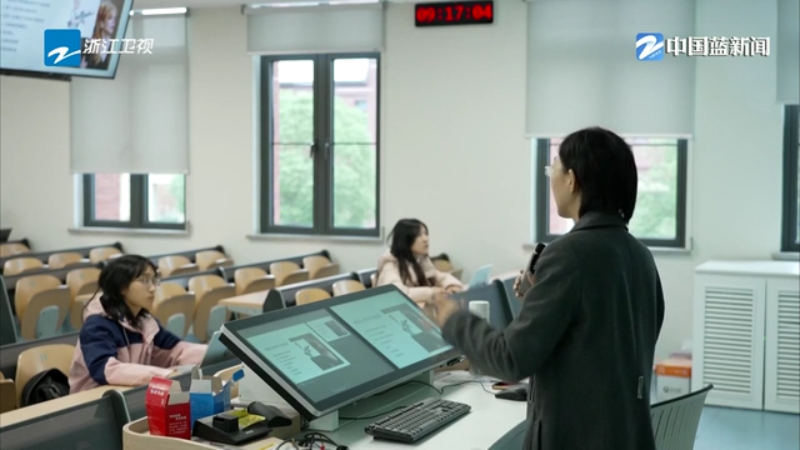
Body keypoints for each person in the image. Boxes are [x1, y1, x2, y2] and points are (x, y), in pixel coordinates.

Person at [431, 127, 665, 450]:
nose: (550, 178)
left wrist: (452, 320)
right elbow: (603, 342)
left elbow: (511, 359)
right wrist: (541, 296)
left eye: (552, 168)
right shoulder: (641, 256)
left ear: (572, 180)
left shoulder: (569, 255)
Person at [69, 255, 207, 393]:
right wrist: (163, 375)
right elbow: (106, 370)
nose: (152, 288)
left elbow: (177, 351)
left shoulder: (145, 323)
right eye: (144, 280)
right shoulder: (96, 325)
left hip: (128, 392)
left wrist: (212, 352)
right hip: (93, 399)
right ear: (122, 287)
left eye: (153, 280)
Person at [376, 218, 463, 308]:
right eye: (418, 235)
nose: (426, 239)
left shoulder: (420, 261)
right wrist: (431, 292)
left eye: (425, 234)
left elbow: (439, 276)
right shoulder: (391, 265)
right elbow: (395, 294)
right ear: (405, 239)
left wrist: (451, 285)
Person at [80, 1, 118, 70]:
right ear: (101, 22)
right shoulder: (88, 44)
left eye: (114, 18)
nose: (113, 22)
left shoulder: (115, 46)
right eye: (109, 18)